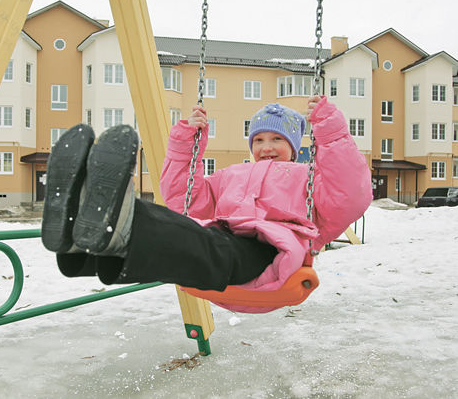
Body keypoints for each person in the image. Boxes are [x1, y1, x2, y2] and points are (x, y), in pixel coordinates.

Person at [41, 95, 372, 313]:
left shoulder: (307, 177)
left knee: (207, 246)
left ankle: (118, 228)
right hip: (223, 241)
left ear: (295, 145)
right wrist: (187, 145)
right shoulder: (233, 175)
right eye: (258, 139)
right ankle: (83, 244)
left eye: (276, 139)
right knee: (183, 230)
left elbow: (351, 194)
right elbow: (186, 198)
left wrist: (331, 133)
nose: (266, 147)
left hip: (273, 255)